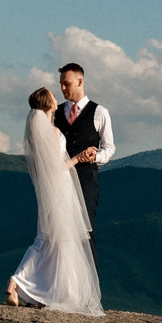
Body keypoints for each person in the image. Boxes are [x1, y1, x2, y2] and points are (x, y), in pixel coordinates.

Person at [6, 87, 103, 314]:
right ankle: (18, 282)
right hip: (60, 190)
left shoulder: (34, 133)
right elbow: (59, 168)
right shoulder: (55, 133)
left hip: (45, 191)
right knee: (57, 240)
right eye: (52, 96)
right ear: (48, 104)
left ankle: (41, 293)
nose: (56, 97)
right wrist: (78, 157)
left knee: (47, 239)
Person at [53, 61, 113, 249]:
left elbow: (109, 147)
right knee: (60, 232)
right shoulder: (56, 113)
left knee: (85, 234)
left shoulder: (100, 112)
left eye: (67, 83)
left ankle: (90, 278)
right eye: (61, 83)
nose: (62, 88)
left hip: (86, 179)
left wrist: (94, 157)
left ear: (80, 82)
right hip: (61, 180)